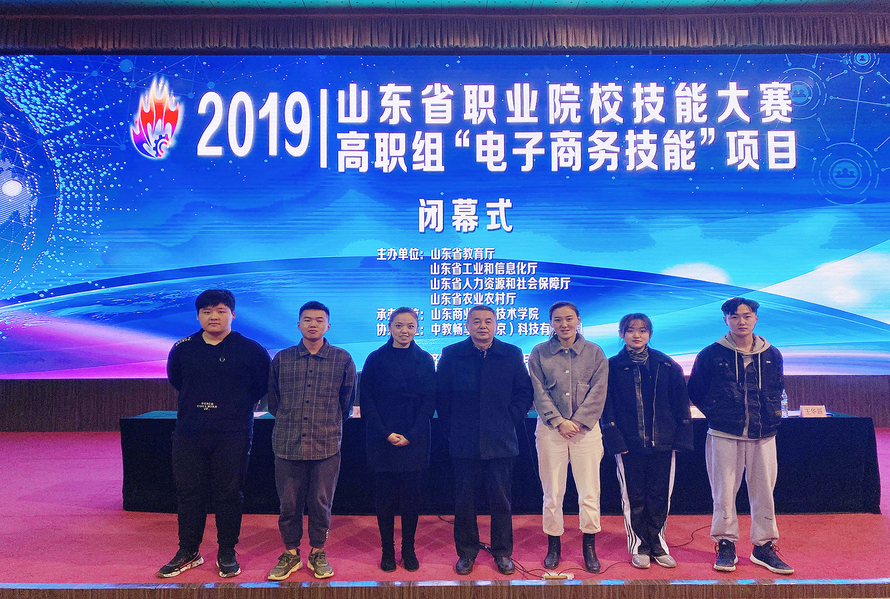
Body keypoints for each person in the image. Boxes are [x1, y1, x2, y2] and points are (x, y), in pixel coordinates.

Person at [158, 289, 271, 579]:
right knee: (189, 493)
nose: (214, 317)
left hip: (233, 432)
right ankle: (188, 551)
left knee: (229, 494)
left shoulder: (251, 350)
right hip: (190, 432)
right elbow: (177, 380)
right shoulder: (183, 348)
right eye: (207, 312)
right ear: (198, 316)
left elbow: (261, 386)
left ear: (233, 314)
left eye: (221, 311)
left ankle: (227, 551)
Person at [687, 297, 794, 575]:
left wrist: (771, 416)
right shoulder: (711, 354)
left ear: (756, 318)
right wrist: (717, 413)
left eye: (747, 316)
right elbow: (696, 389)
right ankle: (725, 544)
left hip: (763, 433)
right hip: (724, 432)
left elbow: (777, 388)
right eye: (734, 317)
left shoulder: (772, 354)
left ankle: (764, 546)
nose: (741, 321)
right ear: (726, 320)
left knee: (764, 491)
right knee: (723, 491)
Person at [436, 305, 534, 576]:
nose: (482, 326)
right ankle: (466, 553)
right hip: (464, 440)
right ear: (467, 325)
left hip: (501, 440)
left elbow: (524, 392)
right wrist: (452, 429)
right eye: (477, 321)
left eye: (488, 321)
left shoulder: (511, 353)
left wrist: (510, 418)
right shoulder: (452, 353)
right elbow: (442, 396)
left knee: (501, 501)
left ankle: (502, 552)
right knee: (464, 501)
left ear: (496, 325)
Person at [266, 301, 356, 581]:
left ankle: (318, 552)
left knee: (321, 503)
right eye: (307, 319)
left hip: (326, 445)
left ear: (328, 325)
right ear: (298, 325)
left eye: (319, 320)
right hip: (287, 443)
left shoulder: (342, 359)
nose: (313, 324)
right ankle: (290, 553)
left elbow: (346, 402)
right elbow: (273, 402)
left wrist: (327, 424)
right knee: (288, 505)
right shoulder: (282, 359)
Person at [601, 313, 693, 570]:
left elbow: (681, 403)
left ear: (650, 334)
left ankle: (658, 544)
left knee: (660, 494)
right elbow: (606, 407)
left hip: (663, 442)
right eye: (631, 330)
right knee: (633, 496)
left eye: (642, 330)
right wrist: (614, 438)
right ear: (622, 334)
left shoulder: (667, 365)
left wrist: (681, 437)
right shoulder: (611, 367)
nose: (637, 335)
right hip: (628, 444)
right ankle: (639, 545)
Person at [528, 301, 608, 573]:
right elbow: (538, 391)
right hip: (551, 430)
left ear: (578, 320)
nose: (564, 324)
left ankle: (589, 546)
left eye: (569, 318)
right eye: (558, 319)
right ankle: (554, 544)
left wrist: (578, 421)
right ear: (551, 322)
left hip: (586, 431)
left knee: (589, 492)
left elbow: (598, 392)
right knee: (552, 491)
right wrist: (559, 421)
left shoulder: (595, 352)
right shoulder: (539, 352)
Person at [360, 307, 436, 572]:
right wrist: (385, 433)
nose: (405, 331)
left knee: (411, 499)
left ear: (417, 329)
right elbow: (366, 399)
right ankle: (387, 550)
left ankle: (408, 549)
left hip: (414, 438)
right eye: (399, 325)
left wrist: (411, 435)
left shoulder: (425, 359)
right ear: (389, 327)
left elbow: (429, 401)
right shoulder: (375, 358)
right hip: (382, 438)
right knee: (384, 499)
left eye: (410, 326)